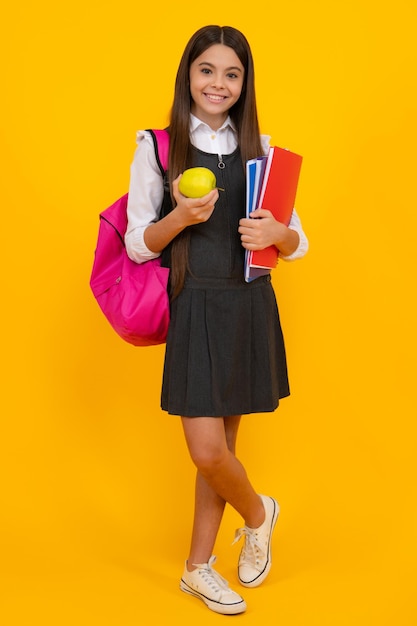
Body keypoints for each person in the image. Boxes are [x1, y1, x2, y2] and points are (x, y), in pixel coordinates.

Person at [125, 25, 308, 615]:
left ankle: (197, 568)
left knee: (222, 451)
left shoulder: (262, 151)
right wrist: (179, 215)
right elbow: (137, 245)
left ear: (244, 84)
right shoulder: (157, 147)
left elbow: (298, 241)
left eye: (232, 74)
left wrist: (278, 234)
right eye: (208, 71)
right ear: (188, 76)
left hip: (248, 303)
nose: (219, 84)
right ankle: (260, 514)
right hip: (194, 303)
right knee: (207, 450)